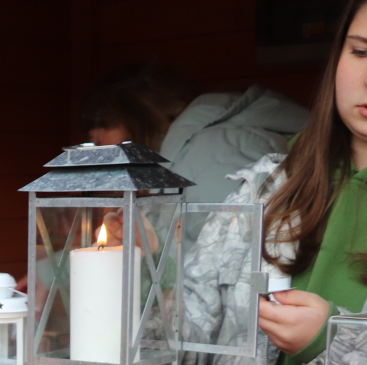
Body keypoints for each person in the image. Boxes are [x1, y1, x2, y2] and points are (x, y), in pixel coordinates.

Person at [184, 0, 367, 365]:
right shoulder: (268, 185)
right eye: (361, 52)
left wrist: (329, 343)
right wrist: (143, 263)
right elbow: (186, 336)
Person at [82, 62, 307, 246]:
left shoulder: (213, 155)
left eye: (98, 142)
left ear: (136, 116)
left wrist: (147, 257)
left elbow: (240, 263)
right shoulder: (181, 161)